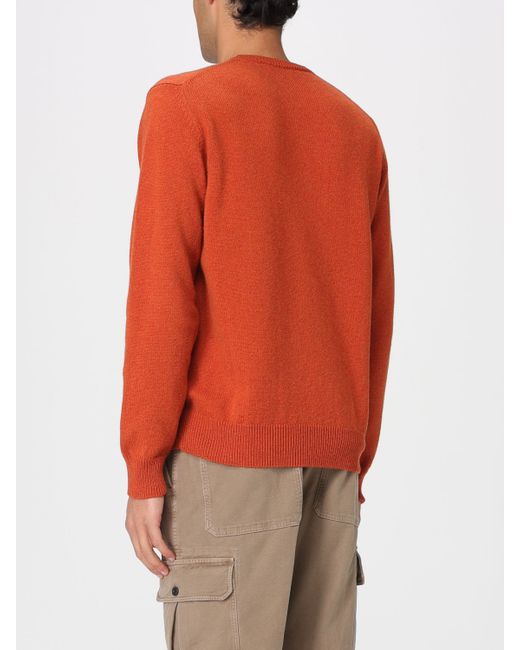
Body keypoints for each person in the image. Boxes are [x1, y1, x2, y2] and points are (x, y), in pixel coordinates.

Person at [120, 0, 394, 647]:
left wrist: (144, 467)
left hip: (226, 463)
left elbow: (162, 298)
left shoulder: (185, 106)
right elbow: (377, 316)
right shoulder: (355, 128)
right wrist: (354, 460)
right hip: (333, 464)